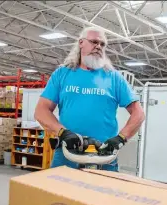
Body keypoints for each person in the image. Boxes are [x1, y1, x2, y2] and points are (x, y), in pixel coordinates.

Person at [34, 26, 145, 171]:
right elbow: (41, 111)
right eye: (94, 42)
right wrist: (62, 132)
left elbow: (139, 113)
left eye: (102, 44)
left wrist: (120, 139)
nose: (98, 47)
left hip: (104, 156)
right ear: (81, 43)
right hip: (67, 154)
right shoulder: (62, 74)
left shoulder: (114, 78)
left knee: (103, 194)